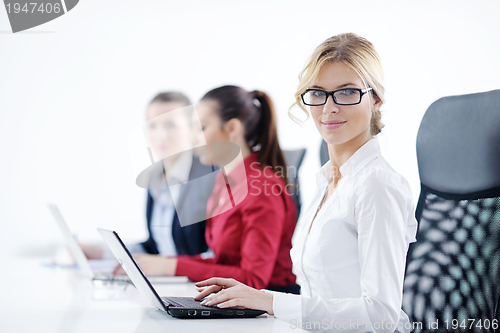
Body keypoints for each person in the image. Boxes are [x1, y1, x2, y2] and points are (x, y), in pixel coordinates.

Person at [193, 33, 418, 333]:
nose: (329, 108)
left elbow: (380, 316)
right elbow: (318, 297)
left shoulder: (377, 186)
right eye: (318, 93)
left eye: (347, 92)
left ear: (376, 99)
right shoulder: (328, 181)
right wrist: (253, 298)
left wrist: (268, 301)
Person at [116, 85, 299, 293]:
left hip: (269, 309)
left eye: (201, 128)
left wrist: (173, 266)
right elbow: (221, 261)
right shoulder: (223, 180)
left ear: (232, 129)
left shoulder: (261, 188)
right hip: (235, 301)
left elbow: (253, 279)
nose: (193, 139)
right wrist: (163, 264)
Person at [81, 92, 215, 259]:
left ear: (191, 128)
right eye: (152, 126)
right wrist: (100, 253)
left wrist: (170, 267)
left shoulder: (209, 175)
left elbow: (217, 253)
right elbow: (155, 247)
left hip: (199, 282)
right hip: (171, 283)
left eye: (170, 125)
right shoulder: (155, 178)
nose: (161, 135)